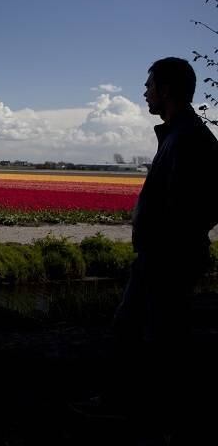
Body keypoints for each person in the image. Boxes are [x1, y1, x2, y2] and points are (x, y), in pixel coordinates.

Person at [112, 57, 218, 441]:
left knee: (152, 335)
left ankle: (155, 418)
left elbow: (194, 207)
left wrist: (162, 244)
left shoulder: (188, 139)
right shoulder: (179, 134)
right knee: (149, 333)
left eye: (149, 85)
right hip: (163, 256)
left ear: (167, 90)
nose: (144, 92)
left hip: (167, 260)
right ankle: (152, 411)